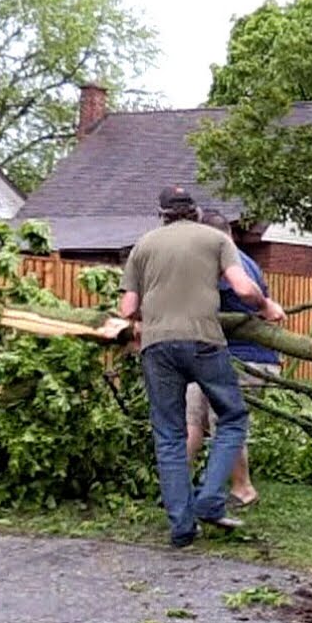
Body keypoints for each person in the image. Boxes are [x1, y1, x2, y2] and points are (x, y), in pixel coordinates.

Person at [119, 187, 286, 548]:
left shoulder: (143, 245)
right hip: (204, 342)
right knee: (232, 417)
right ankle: (210, 500)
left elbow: (128, 308)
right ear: (193, 211)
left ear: (161, 214)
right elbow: (243, 288)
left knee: (169, 435)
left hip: (157, 347)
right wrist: (266, 307)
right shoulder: (216, 239)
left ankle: (181, 528)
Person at [185, 211, 281, 509]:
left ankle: (243, 488)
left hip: (245, 358)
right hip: (213, 355)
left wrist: (265, 306)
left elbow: (244, 292)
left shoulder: (233, 263)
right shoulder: (213, 262)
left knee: (225, 421)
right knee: (192, 418)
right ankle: (175, 484)